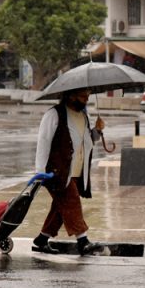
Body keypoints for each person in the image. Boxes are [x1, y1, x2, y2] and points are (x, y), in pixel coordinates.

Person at [32, 87, 105, 255]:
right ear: (71, 96)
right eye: (83, 96)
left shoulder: (84, 116)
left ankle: (41, 240)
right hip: (56, 172)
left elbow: (88, 141)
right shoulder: (54, 115)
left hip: (77, 171)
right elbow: (43, 142)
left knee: (61, 207)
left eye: (88, 95)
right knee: (72, 201)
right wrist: (40, 172)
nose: (87, 99)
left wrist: (97, 131)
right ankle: (83, 241)